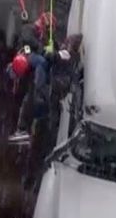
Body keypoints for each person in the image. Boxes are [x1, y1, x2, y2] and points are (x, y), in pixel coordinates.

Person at [7, 12, 71, 145]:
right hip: (25, 60)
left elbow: (49, 51)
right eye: (48, 28)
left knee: (30, 99)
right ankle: (40, 93)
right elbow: (35, 47)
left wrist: (59, 52)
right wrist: (54, 55)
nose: (49, 32)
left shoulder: (44, 38)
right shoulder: (29, 30)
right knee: (41, 62)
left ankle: (24, 129)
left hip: (31, 72)